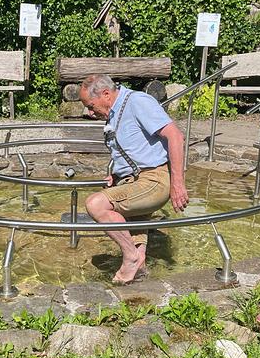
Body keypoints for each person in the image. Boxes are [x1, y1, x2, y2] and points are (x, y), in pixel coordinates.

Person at [79, 74, 189, 284]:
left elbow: (175, 136)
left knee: (96, 205)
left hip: (153, 181)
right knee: (138, 244)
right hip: (134, 181)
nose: (90, 113)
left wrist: (177, 184)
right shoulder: (114, 113)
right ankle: (139, 277)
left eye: (91, 106)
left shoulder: (138, 102)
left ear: (106, 94)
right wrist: (116, 172)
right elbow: (134, 147)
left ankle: (130, 256)